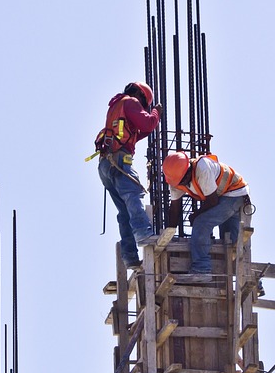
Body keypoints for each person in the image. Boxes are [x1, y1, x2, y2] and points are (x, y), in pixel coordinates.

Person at [93, 82, 162, 267]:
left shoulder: (117, 105)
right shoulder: (131, 102)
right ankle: (143, 233)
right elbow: (148, 122)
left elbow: (140, 130)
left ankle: (129, 256)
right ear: (141, 96)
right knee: (134, 195)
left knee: (124, 211)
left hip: (106, 165)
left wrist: (151, 121)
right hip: (119, 161)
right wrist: (156, 113)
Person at [161, 151, 250, 283]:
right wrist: (169, 233)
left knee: (202, 223)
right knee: (232, 241)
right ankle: (248, 276)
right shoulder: (176, 180)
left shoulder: (202, 168)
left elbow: (212, 201)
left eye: (184, 179)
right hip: (224, 197)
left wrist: (196, 215)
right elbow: (174, 208)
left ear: (188, 168)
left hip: (235, 194)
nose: (184, 183)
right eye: (180, 182)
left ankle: (201, 269)